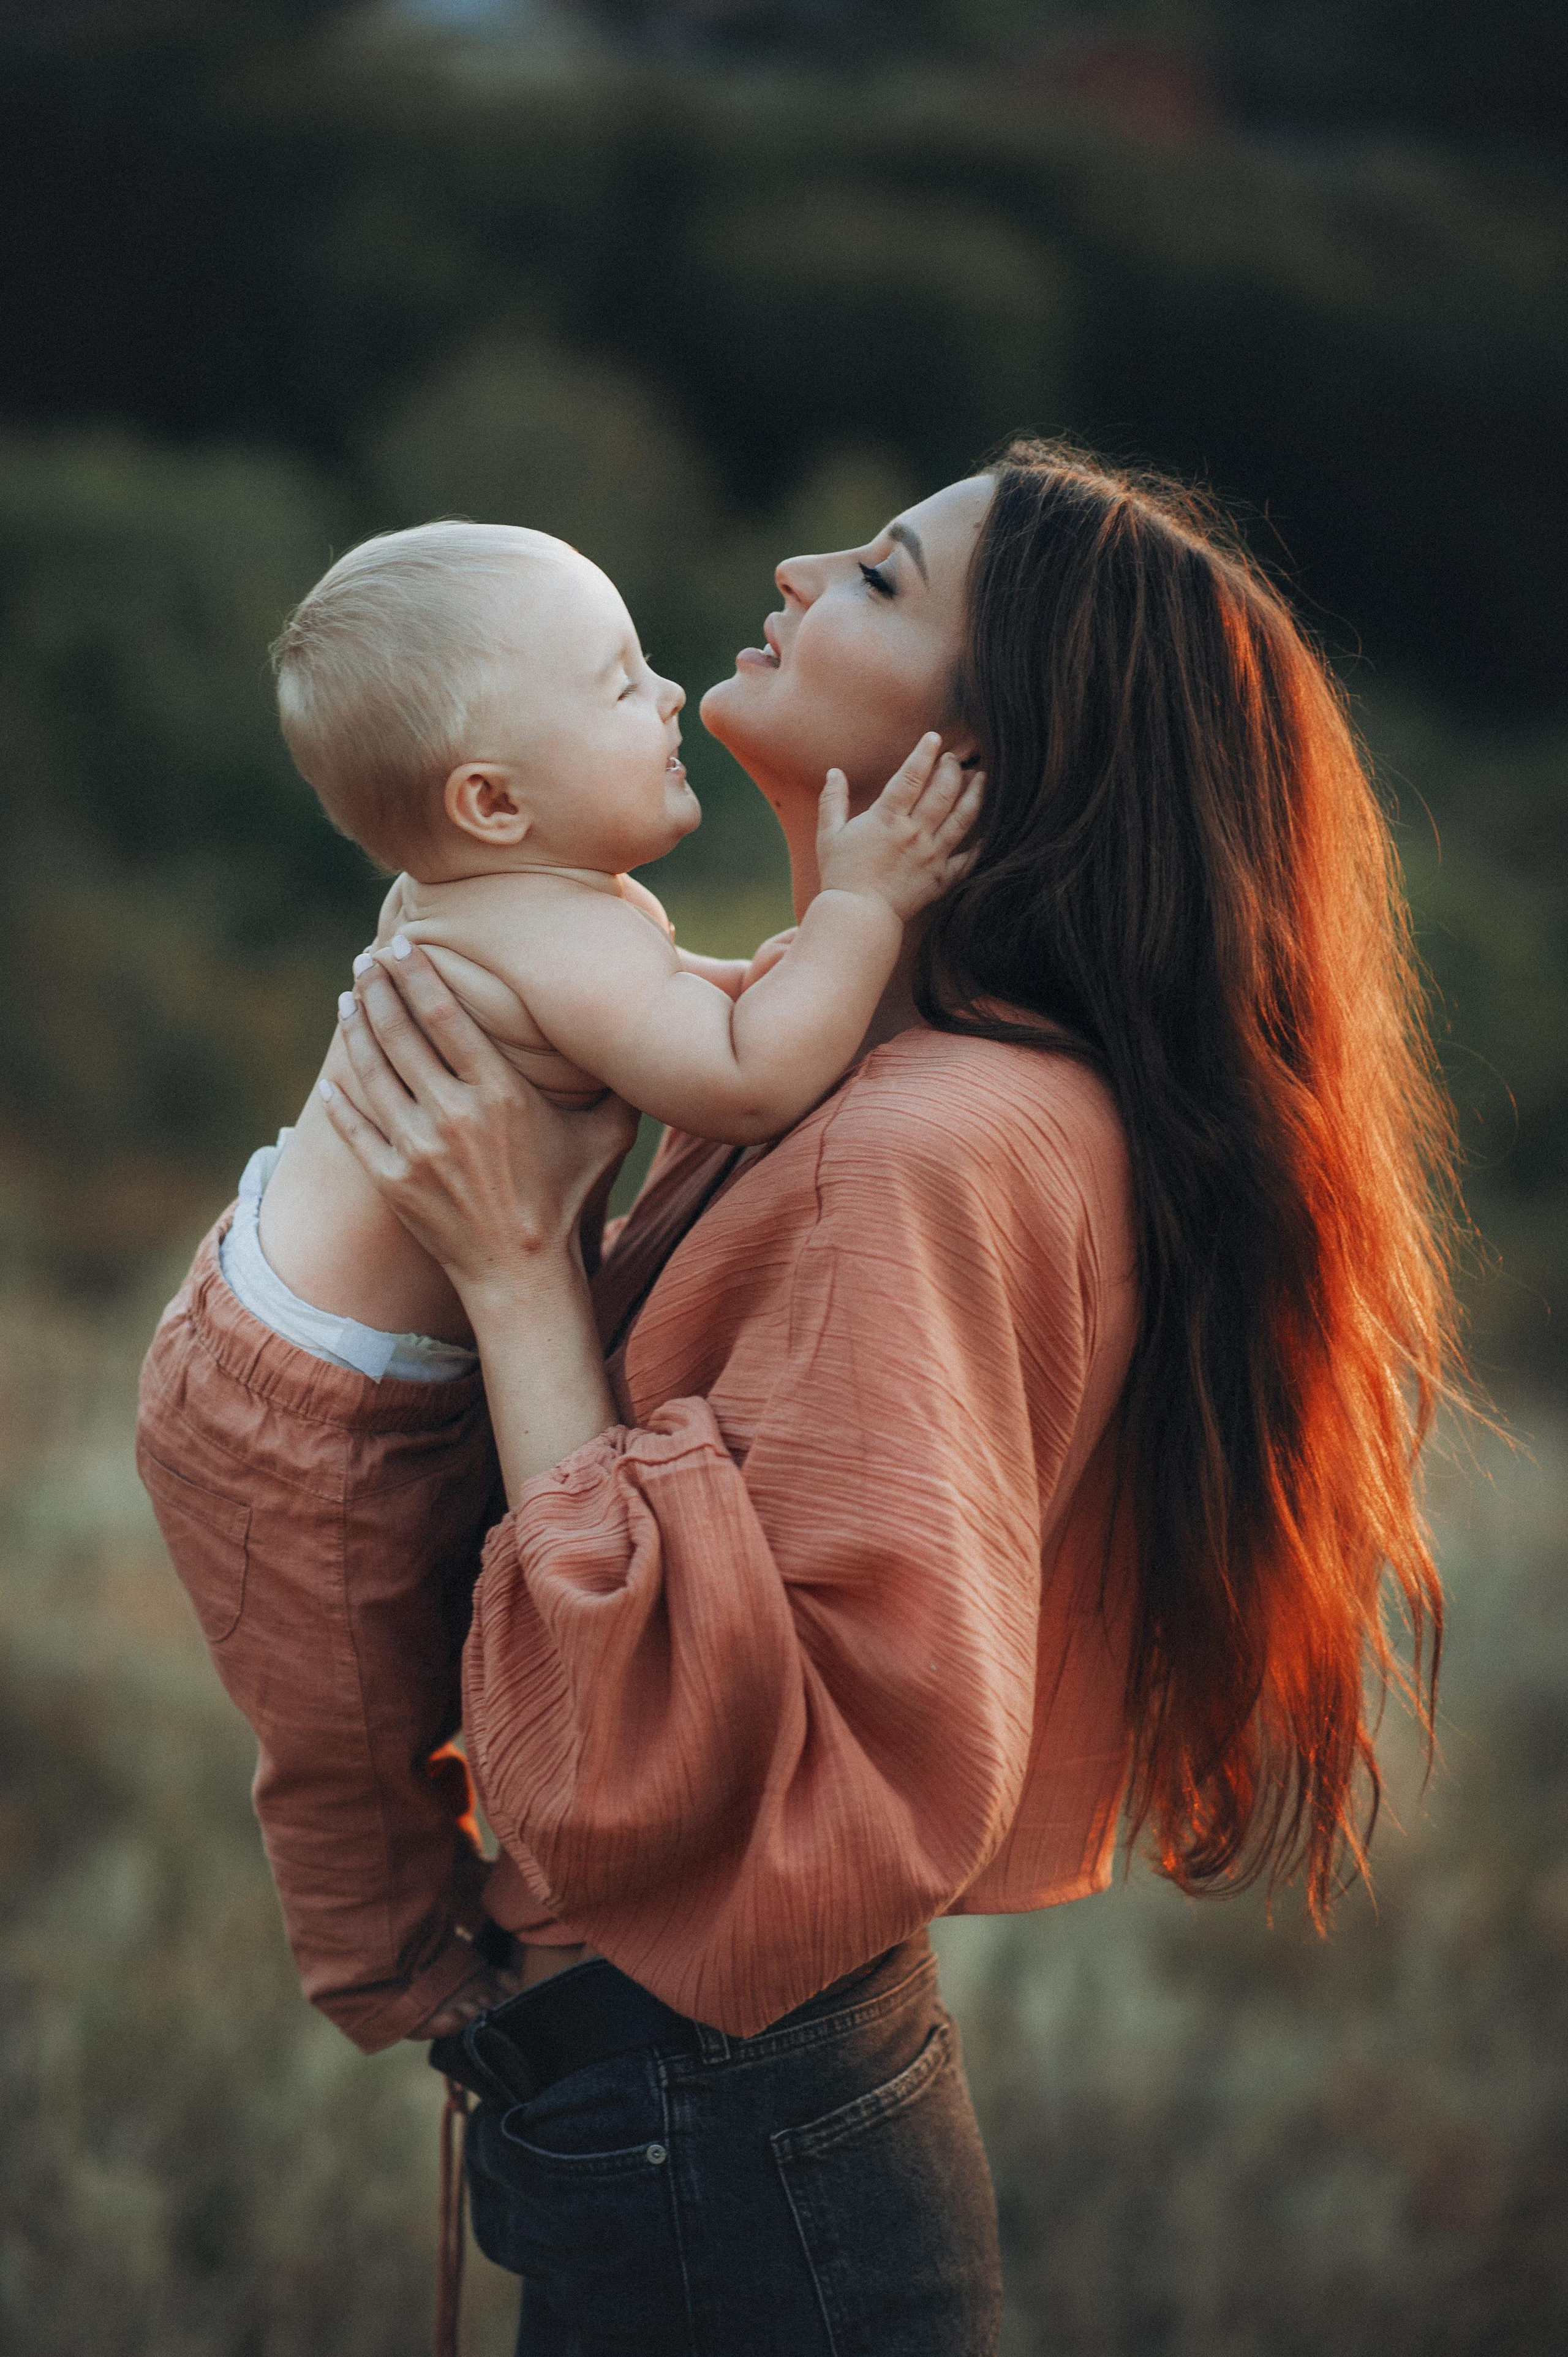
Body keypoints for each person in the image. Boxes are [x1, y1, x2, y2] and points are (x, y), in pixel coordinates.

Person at [146, 439, 1461, 2356]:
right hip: (717, 2114)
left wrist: (516, 1273)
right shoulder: (874, 1072)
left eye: (882, 580)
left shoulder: (907, 1152)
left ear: (989, 743)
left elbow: (659, 1769)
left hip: (722, 2130)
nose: (792, 563)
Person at [137, 520, 979, 2050]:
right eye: (615, 684)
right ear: (491, 799)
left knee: (388, 1672)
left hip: (294, 1331)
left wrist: (791, 971)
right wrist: (865, 907)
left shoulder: (511, 899)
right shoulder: (545, 926)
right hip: (302, 1409)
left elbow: (701, 1010)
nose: (667, 691)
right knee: (344, 1716)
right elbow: (738, 1074)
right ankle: (392, 1972)